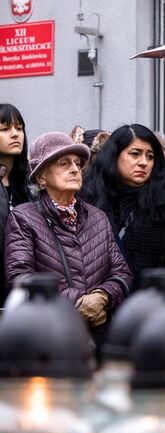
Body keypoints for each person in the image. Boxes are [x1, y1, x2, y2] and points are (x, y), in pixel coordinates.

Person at [5, 132, 132, 329]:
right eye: (64, 163)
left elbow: (122, 272)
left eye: (77, 163)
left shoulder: (97, 217)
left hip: (99, 332)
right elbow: (20, 276)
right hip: (51, 332)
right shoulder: (24, 217)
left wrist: (102, 297)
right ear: (41, 177)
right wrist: (80, 302)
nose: (75, 169)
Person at [80, 124, 165, 292]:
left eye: (150, 156)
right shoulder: (87, 202)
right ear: (114, 156)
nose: (143, 162)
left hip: (161, 307)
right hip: (104, 307)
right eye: (135, 154)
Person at [0, 104, 32, 302]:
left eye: (19, 128)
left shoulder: (31, 183)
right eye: (5, 129)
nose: (15, 134)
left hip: (23, 287)